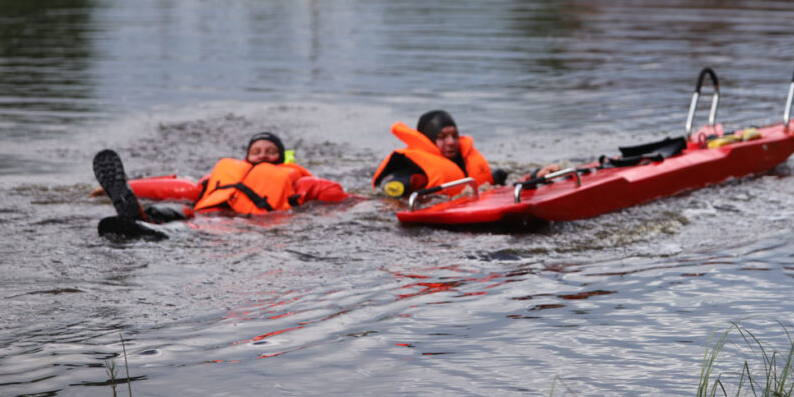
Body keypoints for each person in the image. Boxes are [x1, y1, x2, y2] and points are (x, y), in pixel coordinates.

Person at [93, 131, 348, 239]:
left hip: (242, 220)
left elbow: (329, 191)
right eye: (256, 150)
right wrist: (129, 186)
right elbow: (182, 189)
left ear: (281, 157)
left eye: (270, 151)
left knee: (194, 227)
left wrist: (362, 201)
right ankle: (138, 214)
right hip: (205, 210)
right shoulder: (225, 172)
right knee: (177, 211)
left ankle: (154, 230)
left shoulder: (295, 178)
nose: (262, 155)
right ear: (247, 155)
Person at [372, 110, 557, 199]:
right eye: (442, 137)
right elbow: (388, 201)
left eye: (454, 135)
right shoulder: (410, 171)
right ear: (428, 140)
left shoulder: (464, 160)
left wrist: (534, 177)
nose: (452, 142)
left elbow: (498, 185)